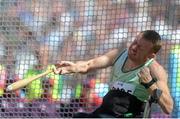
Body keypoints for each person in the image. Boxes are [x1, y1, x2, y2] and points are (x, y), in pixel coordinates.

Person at [53, 30, 173, 118]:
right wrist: (72, 67)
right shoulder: (119, 54)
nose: (134, 48)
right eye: (135, 42)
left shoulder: (155, 70)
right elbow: (89, 65)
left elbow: (168, 107)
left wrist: (149, 84)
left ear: (150, 55)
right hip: (105, 113)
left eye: (140, 48)